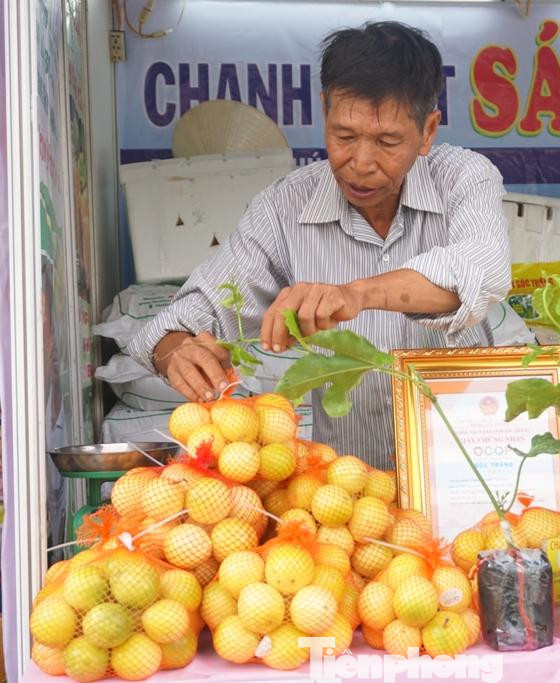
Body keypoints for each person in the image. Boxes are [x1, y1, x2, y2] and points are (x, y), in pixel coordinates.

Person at [129, 21, 513, 471]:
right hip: (347, 494)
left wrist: (356, 294)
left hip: (468, 477)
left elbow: (482, 269)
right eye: (344, 136)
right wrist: (178, 351)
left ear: (428, 131)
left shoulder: (464, 178)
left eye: (388, 141)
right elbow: (184, 318)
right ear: (323, 112)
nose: (361, 163)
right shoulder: (283, 207)